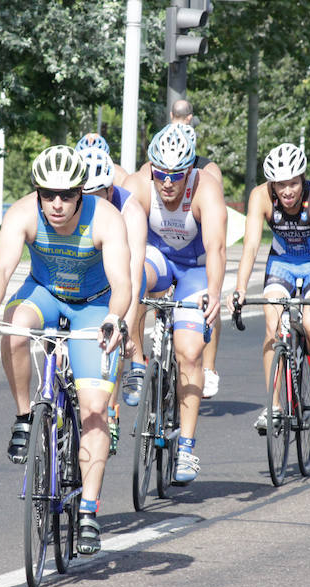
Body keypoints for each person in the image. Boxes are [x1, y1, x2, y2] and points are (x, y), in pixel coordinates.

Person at [0, 145, 132, 555]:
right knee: (15, 328)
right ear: (38, 193)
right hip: (44, 293)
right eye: (48, 194)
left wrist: (115, 318)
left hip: (95, 305)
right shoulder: (23, 213)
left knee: (94, 410)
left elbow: (122, 283)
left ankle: (89, 512)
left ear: (81, 194)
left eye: (66, 195)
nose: (57, 204)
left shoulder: (106, 219)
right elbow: (1, 268)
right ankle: (26, 417)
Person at [121, 123, 227, 483]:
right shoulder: (138, 185)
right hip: (158, 259)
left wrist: (214, 290)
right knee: (133, 283)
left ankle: (186, 447)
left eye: (176, 175)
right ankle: (137, 364)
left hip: (195, 270)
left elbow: (216, 248)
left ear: (189, 171)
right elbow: (120, 245)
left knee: (190, 352)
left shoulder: (205, 189)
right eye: (161, 173)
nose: (167, 183)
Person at [233, 143, 310, 429]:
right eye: (281, 185)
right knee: (272, 324)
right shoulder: (260, 197)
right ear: (272, 184)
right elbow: (251, 246)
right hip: (282, 263)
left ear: (302, 179)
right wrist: (240, 288)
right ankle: (274, 406)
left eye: (293, 183)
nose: (288, 191)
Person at [77, 145, 147, 456]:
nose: (91, 204)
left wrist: (126, 330)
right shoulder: (71, 205)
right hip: (87, 272)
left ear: (110, 190)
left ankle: (112, 408)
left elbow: (130, 278)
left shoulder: (129, 211)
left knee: (114, 336)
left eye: (98, 195)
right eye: (84, 195)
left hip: (122, 271)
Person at [169, 99, 224, 399]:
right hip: (169, 248)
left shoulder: (208, 169)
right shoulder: (161, 165)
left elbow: (215, 217)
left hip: (199, 246)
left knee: (208, 304)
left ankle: (209, 366)